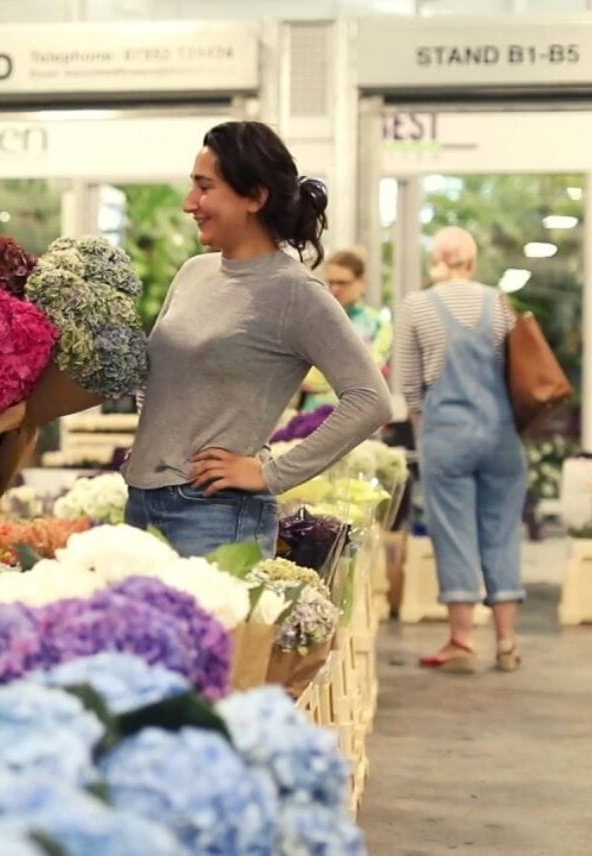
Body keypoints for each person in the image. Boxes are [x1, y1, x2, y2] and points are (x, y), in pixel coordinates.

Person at [122, 121, 392, 558]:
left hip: (214, 515)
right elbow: (160, 378)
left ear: (255, 197)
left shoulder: (295, 293)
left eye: (204, 187)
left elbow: (370, 398)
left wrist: (273, 475)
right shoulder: (195, 272)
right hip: (141, 501)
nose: (191, 203)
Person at [395, 226, 524, 673]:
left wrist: (423, 430)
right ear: (471, 261)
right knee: (502, 532)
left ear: (437, 260)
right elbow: (518, 371)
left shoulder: (416, 306)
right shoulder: (500, 304)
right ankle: (507, 642)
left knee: (454, 532)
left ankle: (463, 641)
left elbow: (409, 386)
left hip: (446, 434)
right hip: (501, 433)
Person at [299, 248, 393, 411]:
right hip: (310, 415)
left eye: (342, 282)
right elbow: (305, 379)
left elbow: (366, 375)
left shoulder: (378, 324)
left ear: (361, 281)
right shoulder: (313, 321)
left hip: (356, 416)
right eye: (331, 282)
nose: (335, 289)